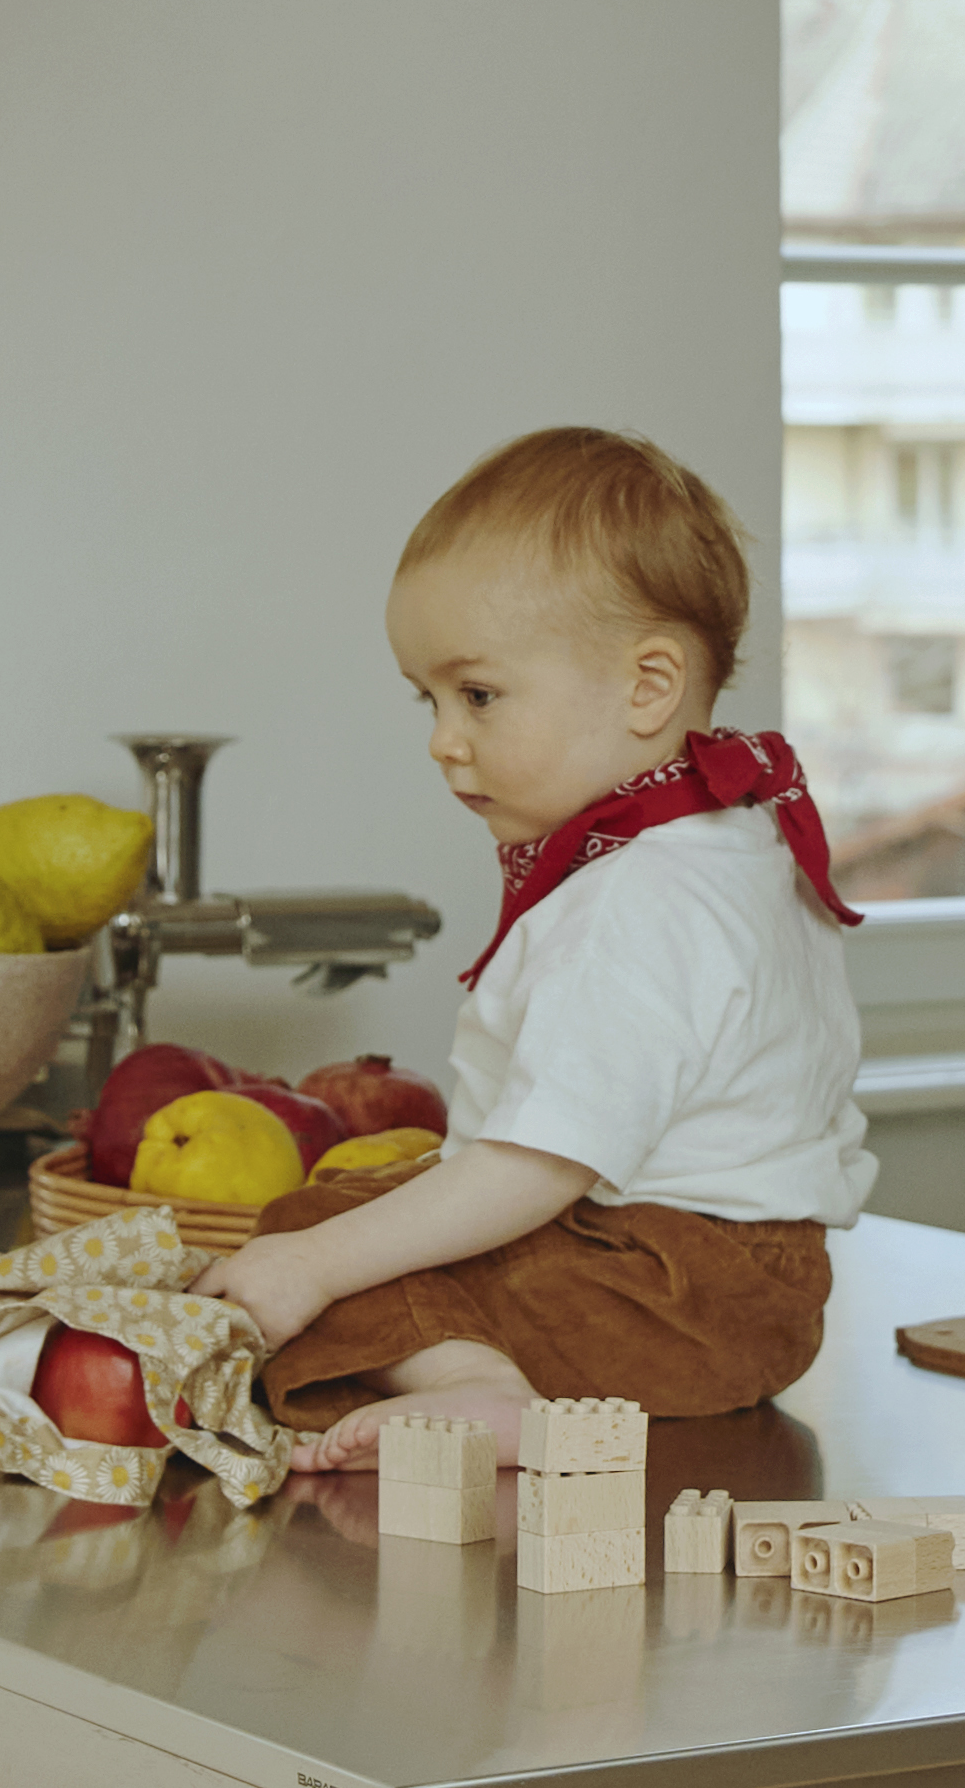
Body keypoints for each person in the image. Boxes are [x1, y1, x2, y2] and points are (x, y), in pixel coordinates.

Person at [241, 427, 873, 1460]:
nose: (444, 738)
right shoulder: (728, 845)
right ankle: (466, 1368)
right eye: (429, 700)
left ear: (647, 687)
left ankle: (478, 1388)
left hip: (656, 1290)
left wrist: (316, 1263)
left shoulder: (640, 896)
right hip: (749, 1293)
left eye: (478, 694)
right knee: (343, 1220)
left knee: (305, 1249)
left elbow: (538, 1166)